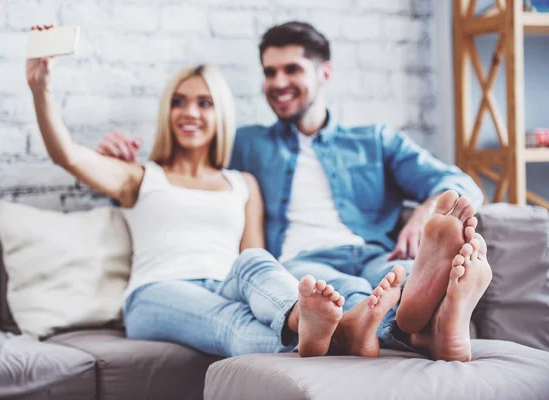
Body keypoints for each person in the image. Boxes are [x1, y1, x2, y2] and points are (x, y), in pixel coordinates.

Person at [98, 21, 492, 362]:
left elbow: (462, 185)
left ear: (324, 73)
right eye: (269, 73)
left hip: (373, 252)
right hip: (304, 262)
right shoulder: (246, 143)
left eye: (291, 69)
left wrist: (423, 215)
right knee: (354, 291)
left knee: (397, 277)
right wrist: (125, 167)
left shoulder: (374, 140)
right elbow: (185, 174)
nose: (278, 83)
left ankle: (434, 318)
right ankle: (431, 325)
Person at [24, 25, 412, 359]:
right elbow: (68, 156)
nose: (190, 112)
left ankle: (310, 324)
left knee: (254, 262)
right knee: (231, 321)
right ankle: (327, 333)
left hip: (225, 283)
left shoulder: (243, 183)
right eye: (179, 102)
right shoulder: (140, 176)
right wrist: (41, 88)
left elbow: (259, 258)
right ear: (167, 112)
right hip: (160, 291)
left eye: (203, 103)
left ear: (220, 114)